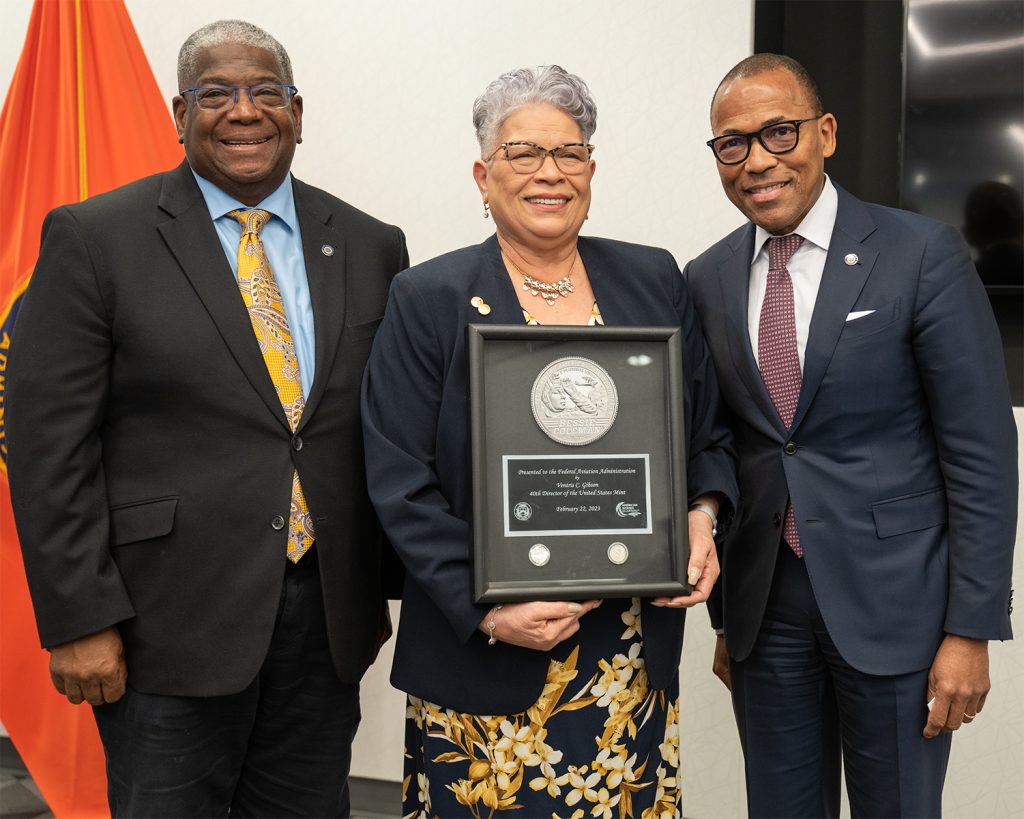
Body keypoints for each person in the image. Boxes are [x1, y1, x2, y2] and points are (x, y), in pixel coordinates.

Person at [5, 19, 407, 818]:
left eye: (265, 92)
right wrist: (79, 617)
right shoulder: (95, 237)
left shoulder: (367, 243)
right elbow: (47, 442)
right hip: (165, 625)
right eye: (217, 93)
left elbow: (387, 421)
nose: (244, 110)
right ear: (179, 112)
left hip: (325, 620)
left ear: (298, 109)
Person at [361, 65, 737, 818]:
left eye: (569, 153)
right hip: (487, 655)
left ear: (590, 169)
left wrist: (701, 516)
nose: (549, 174)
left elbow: (708, 434)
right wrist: (488, 607)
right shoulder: (427, 297)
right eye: (523, 153)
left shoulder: (652, 277)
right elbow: (397, 478)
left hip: (627, 664)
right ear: (483, 173)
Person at [684, 53, 1017, 818]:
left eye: (779, 132)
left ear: (825, 133)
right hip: (766, 609)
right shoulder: (706, 277)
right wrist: (729, 617)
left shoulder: (920, 255)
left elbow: (981, 456)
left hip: (899, 607)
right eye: (732, 143)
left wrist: (972, 628)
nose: (757, 159)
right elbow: (725, 445)